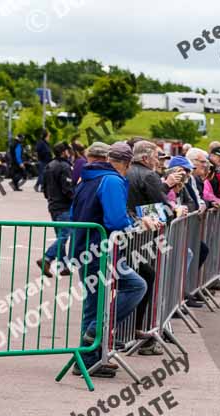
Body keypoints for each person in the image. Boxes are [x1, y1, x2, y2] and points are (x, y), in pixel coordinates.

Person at [70, 142, 151, 378]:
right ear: (126, 164)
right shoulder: (112, 180)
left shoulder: (87, 178)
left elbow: (75, 214)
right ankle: (95, 334)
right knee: (136, 286)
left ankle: (87, 360)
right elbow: (116, 220)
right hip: (101, 249)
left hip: (85, 246)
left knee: (92, 304)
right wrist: (135, 225)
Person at [37, 142, 74, 278]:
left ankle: (64, 266)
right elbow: (68, 189)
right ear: (64, 152)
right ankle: (47, 258)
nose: (69, 153)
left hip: (53, 206)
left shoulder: (49, 166)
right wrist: (75, 200)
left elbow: (44, 188)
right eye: (68, 151)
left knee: (61, 236)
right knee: (64, 235)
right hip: (64, 206)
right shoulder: (65, 166)